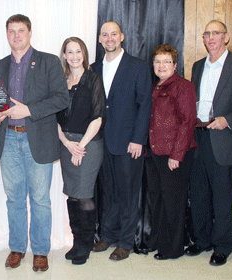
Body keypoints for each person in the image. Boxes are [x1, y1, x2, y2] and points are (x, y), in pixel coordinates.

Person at [0, 14, 69, 272]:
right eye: (11, 31)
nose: (16, 35)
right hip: (9, 138)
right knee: (13, 198)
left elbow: (61, 99)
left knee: (40, 199)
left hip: (38, 140)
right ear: (7, 34)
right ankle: (16, 248)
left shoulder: (48, 62)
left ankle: (40, 251)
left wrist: (28, 110)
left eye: (21, 30)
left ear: (30, 32)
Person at [186, 20, 232, 266]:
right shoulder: (197, 67)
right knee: (198, 193)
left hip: (225, 140)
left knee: (221, 196)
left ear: (226, 37)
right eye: (206, 33)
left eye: (216, 33)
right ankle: (202, 239)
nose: (211, 38)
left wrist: (227, 120)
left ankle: (223, 245)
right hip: (198, 138)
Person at [90, 21, 152, 261]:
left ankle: (126, 241)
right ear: (100, 39)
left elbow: (145, 105)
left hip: (128, 143)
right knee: (107, 191)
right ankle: (108, 235)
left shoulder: (137, 66)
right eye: (104, 35)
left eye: (113, 34)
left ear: (122, 37)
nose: (109, 38)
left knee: (127, 193)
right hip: (100, 141)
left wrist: (138, 139)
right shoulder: (93, 68)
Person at [57, 37, 105, 265]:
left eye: (78, 51)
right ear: (64, 55)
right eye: (70, 52)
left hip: (88, 145)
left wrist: (81, 146)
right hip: (66, 144)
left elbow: (98, 118)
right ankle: (77, 242)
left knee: (84, 194)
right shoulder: (60, 81)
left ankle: (85, 245)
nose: (74, 56)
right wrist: (67, 144)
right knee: (72, 195)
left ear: (84, 54)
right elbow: (54, 119)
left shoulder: (93, 79)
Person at [146, 44, 197, 260]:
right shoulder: (156, 86)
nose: (161, 65)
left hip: (175, 155)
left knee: (173, 203)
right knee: (158, 200)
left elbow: (187, 122)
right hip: (155, 153)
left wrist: (177, 155)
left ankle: (172, 249)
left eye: (166, 61)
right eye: (158, 61)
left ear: (175, 65)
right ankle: (159, 241)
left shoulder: (183, 86)